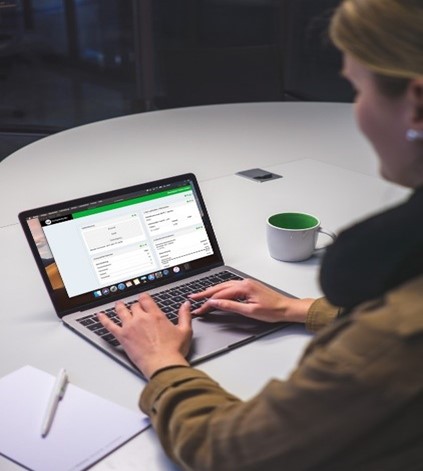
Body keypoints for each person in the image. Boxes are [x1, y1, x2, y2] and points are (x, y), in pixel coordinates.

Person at [98, 0, 423, 469]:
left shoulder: (390, 345)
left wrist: (161, 362)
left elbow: (228, 452)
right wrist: (301, 309)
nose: (357, 111)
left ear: (416, 106)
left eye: (358, 89)